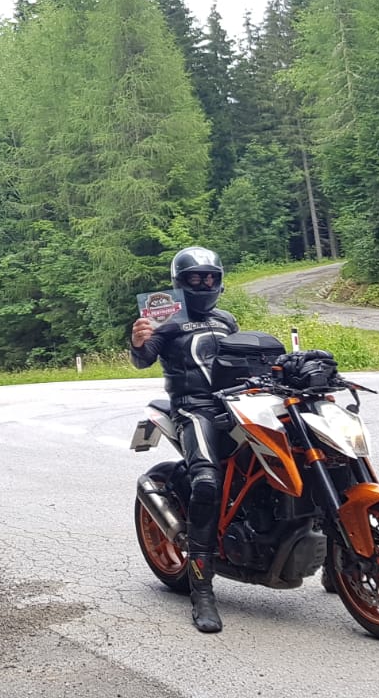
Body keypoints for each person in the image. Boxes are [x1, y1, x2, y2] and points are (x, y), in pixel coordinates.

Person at [129, 245, 236, 634]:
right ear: (180, 282)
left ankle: (335, 563)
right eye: (195, 279)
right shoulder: (166, 320)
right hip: (192, 408)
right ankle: (202, 589)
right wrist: (139, 341)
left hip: (232, 405)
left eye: (210, 278)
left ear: (219, 281)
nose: (204, 284)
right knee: (206, 480)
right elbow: (143, 358)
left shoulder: (226, 320)